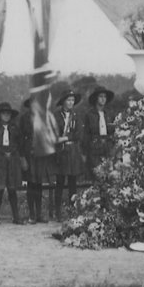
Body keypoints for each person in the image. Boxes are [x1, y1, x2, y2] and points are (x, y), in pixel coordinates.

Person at [0, 102, 24, 226]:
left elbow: (19, 144)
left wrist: (12, 152)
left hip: (12, 161)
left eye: (8, 113)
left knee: (12, 189)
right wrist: (3, 153)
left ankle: (16, 217)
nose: (6, 116)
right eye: (3, 113)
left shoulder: (15, 129)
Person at [53, 89, 85, 220]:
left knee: (73, 182)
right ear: (63, 102)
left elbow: (79, 134)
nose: (71, 102)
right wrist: (58, 139)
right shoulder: (56, 115)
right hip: (61, 151)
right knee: (59, 182)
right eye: (68, 100)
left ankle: (72, 211)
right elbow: (53, 133)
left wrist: (65, 138)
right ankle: (58, 212)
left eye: (72, 100)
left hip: (73, 151)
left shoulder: (76, 115)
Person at [83, 87, 116, 183]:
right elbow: (86, 135)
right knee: (97, 176)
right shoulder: (89, 115)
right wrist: (85, 152)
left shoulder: (109, 114)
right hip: (94, 149)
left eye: (105, 97)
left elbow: (114, 131)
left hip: (107, 148)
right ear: (96, 99)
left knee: (109, 176)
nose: (103, 99)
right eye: (100, 96)